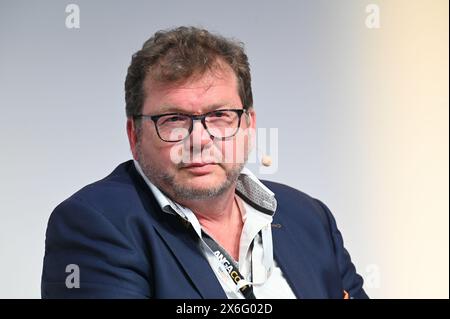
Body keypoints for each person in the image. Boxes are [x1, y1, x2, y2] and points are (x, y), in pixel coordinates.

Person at [41, 26, 368, 299]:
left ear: (248, 125)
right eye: (174, 119)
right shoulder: (94, 223)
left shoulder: (309, 217)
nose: (199, 140)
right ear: (134, 134)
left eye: (220, 116)